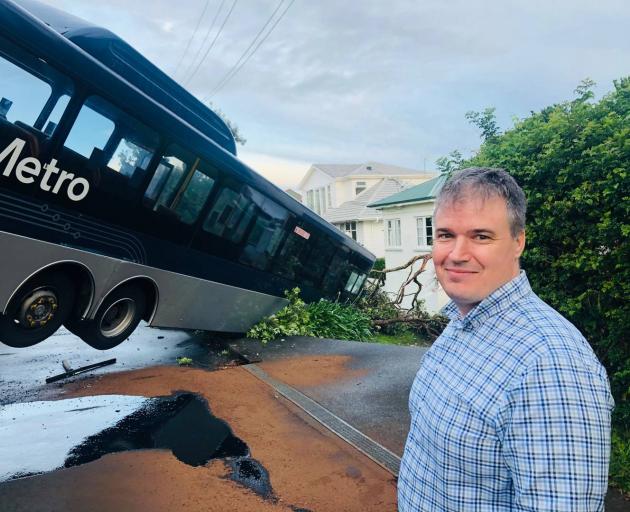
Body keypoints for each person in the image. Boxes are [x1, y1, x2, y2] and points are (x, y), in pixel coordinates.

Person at [398, 167, 614, 511]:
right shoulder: (460, 322)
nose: (456, 253)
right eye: (444, 235)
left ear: (518, 242)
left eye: (481, 236)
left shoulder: (551, 366)